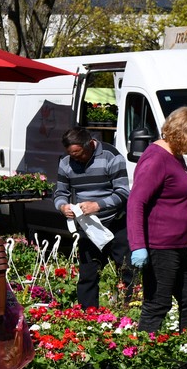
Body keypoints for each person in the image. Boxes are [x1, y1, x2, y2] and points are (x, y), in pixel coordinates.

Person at [127, 106, 187, 333]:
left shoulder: (175, 156)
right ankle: (142, 356)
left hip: (177, 246)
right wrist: (138, 246)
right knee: (158, 303)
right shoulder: (156, 159)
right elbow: (136, 202)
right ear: (184, 133)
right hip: (159, 245)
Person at [53, 126, 132, 309]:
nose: (75, 158)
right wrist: (63, 206)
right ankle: (88, 317)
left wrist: (98, 205)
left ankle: (131, 312)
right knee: (88, 275)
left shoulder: (112, 156)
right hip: (88, 227)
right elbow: (60, 193)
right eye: (71, 154)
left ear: (89, 144)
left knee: (127, 271)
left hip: (117, 222)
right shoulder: (66, 162)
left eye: (78, 154)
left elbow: (123, 192)